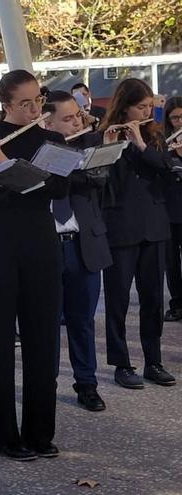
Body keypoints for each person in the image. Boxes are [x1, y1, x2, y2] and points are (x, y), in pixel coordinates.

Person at [0, 70, 68, 461]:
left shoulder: (52, 139)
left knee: (42, 339)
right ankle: (1, 432)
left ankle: (40, 432)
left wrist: (9, 165)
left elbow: (59, 188)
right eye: (25, 103)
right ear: (6, 103)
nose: (34, 108)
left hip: (40, 241)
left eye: (38, 100)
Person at [98, 78, 176, 389]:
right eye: (141, 107)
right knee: (117, 300)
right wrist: (110, 145)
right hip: (120, 227)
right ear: (124, 107)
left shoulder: (154, 137)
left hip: (154, 226)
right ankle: (121, 363)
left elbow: (167, 168)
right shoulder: (105, 136)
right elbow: (102, 180)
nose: (147, 112)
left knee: (153, 299)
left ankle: (153, 361)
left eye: (149, 107)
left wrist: (141, 144)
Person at [43, 91, 112, 412]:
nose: (76, 122)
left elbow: (99, 179)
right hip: (46, 247)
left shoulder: (90, 143)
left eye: (78, 116)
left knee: (82, 320)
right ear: (49, 121)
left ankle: (87, 384)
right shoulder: (36, 150)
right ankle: (46, 383)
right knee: (46, 322)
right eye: (68, 118)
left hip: (83, 244)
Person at [162, 97, 182, 322]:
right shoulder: (163, 141)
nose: (179, 122)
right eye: (175, 117)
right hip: (168, 209)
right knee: (171, 261)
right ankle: (176, 303)